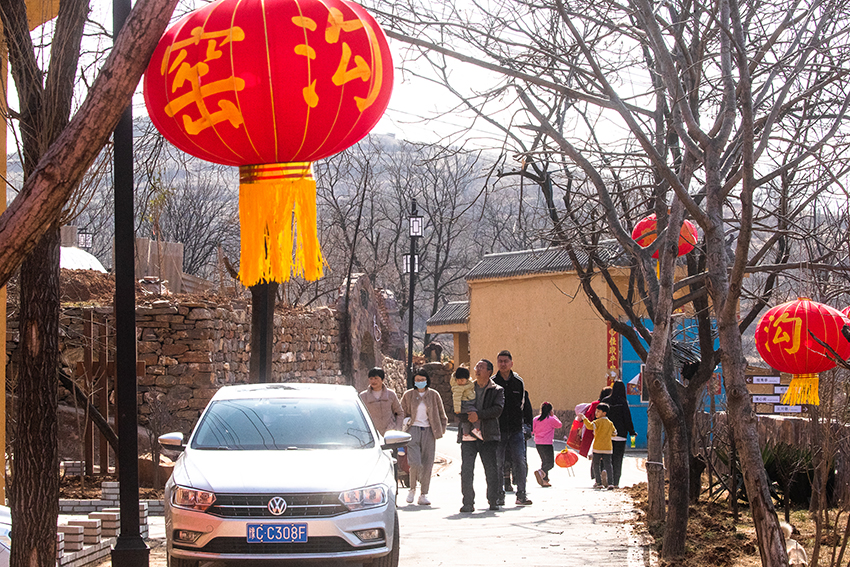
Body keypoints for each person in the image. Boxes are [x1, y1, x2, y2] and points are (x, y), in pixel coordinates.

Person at [459, 359, 505, 513]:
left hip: (487, 434)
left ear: (489, 372)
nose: (477, 370)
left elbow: (497, 410)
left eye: (481, 367)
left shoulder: (497, 390)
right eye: (476, 367)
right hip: (468, 434)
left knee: (491, 468)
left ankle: (493, 499)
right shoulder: (466, 388)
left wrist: (478, 415)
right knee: (466, 469)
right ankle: (467, 502)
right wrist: (468, 417)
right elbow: (458, 408)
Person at [400, 368, 448, 506]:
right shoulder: (408, 395)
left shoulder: (434, 395)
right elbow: (402, 413)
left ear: (427, 380)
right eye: (417, 380)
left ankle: (424, 494)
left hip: (429, 431)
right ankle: (412, 489)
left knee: (428, 463)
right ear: (413, 381)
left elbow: (441, 414)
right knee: (414, 462)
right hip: (412, 430)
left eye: (422, 380)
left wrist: (441, 430)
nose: (420, 382)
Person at [493, 350, 532, 506]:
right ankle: (499, 494)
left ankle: (521, 494)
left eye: (505, 361)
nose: (503, 364)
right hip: (498, 429)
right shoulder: (493, 381)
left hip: (516, 429)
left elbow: (522, 404)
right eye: (500, 361)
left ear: (511, 363)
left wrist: (526, 425)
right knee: (498, 462)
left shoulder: (518, 382)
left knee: (520, 461)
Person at [601, 380, 636, 488]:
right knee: (618, 459)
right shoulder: (623, 402)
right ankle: (615, 482)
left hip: (607, 435)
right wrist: (632, 432)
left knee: (608, 458)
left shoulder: (605, 401)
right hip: (621, 435)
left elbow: (599, 417)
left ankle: (606, 474)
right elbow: (627, 418)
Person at [581, 402, 617, 489]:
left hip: (597, 448)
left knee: (596, 465)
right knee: (608, 465)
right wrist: (608, 435)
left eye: (598, 411)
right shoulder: (610, 423)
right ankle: (610, 483)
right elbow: (615, 433)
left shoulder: (597, 422)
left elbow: (589, 426)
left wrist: (584, 418)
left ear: (604, 413)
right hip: (608, 448)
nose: (596, 413)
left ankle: (599, 482)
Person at [359, 367, 404, 436]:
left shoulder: (391, 394)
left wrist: (397, 429)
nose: (373, 381)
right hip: (371, 434)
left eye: (376, 378)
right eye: (371, 379)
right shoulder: (363, 396)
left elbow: (399, 413)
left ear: (382, 380)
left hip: (390, 433)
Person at [532, 402, 562, 487]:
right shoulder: (551, 419)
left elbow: (532, 431)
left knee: (544, 461)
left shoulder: (536, 419)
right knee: (550, 463)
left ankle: (544, 480)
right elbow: (559, 425)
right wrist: (553, 416)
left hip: (538, 443)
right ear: (550, 410)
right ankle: (541, 471)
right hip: (547, 443)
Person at [578, 386, 612, 459]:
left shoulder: (594, 404)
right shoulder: (610, 405)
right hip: (605, 430)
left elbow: (587, 414)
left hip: (593, 429)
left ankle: (595, 467)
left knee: (595, 451)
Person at [450, 366, 483, 441]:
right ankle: (477, 429)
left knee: (466, 421)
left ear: (467, 379)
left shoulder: (469, 384)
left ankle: (465, 434)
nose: (460, 382)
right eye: (458, 380)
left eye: (462, 380)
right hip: (465, 404)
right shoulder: (458, 387)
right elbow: (456, 399)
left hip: (468, 402)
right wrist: (457, 410)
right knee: (474, 415)